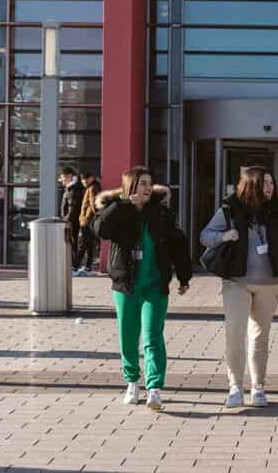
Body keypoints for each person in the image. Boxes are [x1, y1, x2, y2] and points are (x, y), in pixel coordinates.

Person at [92, 166, 192, 412]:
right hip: (125, 285)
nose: (147, 188)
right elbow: (99, 230)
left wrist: (184, 276)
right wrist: (122, 205)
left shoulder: (162, 214)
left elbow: (178, 244)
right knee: (128, 336)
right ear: (130, 187)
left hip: (155, 286)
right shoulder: (118, 211)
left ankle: (154, 388)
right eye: (142, 183)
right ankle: (132, 382)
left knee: (152, 336)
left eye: (149, 183)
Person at [200, 167, 278, 409]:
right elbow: (205, 235)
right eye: (264, 182)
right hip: (237, 282)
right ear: (251, 184)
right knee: (235, 334)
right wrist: (224, 237)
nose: (269, 187)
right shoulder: (230, 209)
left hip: (270, 284)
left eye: (271, 182)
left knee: (260, 338)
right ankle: (235, 387)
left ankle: (258, 387)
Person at [76, 172, 102, 275]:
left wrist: (95, 217)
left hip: (87, 221)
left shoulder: (93, 188)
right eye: (82, 180)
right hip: (88, 220)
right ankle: (87, 267)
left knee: (83, 244)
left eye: (85, 179)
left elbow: (93, 204)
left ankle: (75, 266)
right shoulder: (91, 187)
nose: (83, 182)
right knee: (89, 244)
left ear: (91, 178)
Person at [59, 167, 84, 273]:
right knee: (71, 243)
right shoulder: (70, 188)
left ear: (69, 176)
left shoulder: (74, 189)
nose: (61, 180)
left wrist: (66, 221)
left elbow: (73, 208)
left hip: (72, 222)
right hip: (70, 221)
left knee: (73, 243)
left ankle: (74, 266)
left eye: (63, 177)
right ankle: (73, 265)